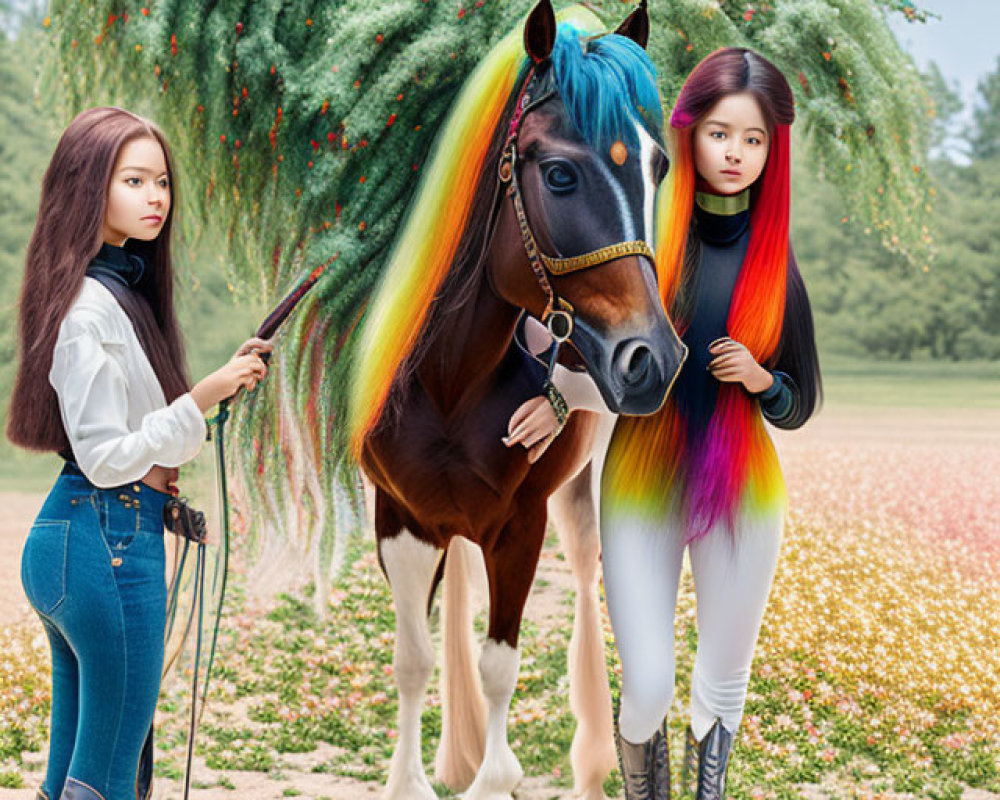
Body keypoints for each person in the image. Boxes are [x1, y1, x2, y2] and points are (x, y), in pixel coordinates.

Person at [505, 49, 821, 798]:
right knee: (646, 687)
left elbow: (801, 400)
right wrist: (559, 400)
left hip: (744, 487)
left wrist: (763, 381)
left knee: (721, 684)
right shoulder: (643, 255)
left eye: (753, 140)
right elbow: (613, 379)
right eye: (720, 134)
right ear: (687, 135)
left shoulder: (778, 266)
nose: (735, 153)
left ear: (770, 151)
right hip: (644, 479)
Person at [7, 106, 271, 800]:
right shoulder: (91, 308)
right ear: (89, 185)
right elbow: (106, 456)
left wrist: (215, 387)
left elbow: (131, 428)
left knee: (72, 776)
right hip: (109, 540)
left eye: (162, 182)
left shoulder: (107, 293)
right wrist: (203, 395)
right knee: (107, 782)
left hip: (80, 537)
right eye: (135, 180)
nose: (156, 197)